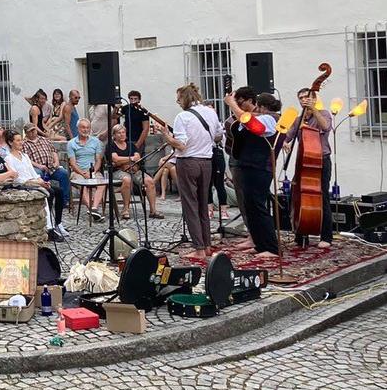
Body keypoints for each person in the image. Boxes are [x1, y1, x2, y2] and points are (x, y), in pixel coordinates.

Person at [164, 83, 224, 260]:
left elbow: (181, 144)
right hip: (207, 161)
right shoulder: (211, 112)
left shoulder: (182, 117)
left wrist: (167, 137)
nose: (177, 101)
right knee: (203, 204)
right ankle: (206, 245)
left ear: (185, 98)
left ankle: (198, 248)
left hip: (188, 161)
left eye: (179, 98)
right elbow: (219, 135)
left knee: (190, 205)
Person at [223, 86, 279, 259]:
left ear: (261, 107)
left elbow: (256, 128)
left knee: (259, 207)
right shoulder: (255, 118)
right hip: (248, 165)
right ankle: (260, 244)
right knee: (250, 208)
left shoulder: (269, 119)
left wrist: (233, 105)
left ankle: (271, 247)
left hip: (260, 167)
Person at [283, 87, 334, 249]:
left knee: (322, 197)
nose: (304, 100)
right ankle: (301, 233)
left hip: (321, 160)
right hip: (303, 162)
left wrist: (314, 109)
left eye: (307, 97)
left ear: (314, 98)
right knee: (296, 195)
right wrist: (285, 143)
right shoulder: (298, 120)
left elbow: (325, 127)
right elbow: (287, 136)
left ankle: (326, 236)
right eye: (301, 98)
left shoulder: (323, 113)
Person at [4, 130, 62, 239]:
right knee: (49, 192)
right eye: (18, 140)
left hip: (34, 181)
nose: (21, 142)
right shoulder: (8, 158)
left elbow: (33, 172)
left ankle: (58, 223)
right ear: (11, 142)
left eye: (21, 140)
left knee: (59, 191)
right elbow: (17, 178)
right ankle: (48, 227)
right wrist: (37, 183)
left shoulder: (25, 156)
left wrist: (41, 181)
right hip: (24, 184)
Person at [23, 123, 72, 231]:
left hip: (51, 167)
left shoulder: (44, 140)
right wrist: (39, 165)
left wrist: (56, 161)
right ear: (26, 133)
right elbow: (27, 160)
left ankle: (64, 201)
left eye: (34, 130)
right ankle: (45, 201)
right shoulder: (25, 144)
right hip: (38, 167)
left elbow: (53, 151)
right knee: (38, 175)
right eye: (30, 131)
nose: (33, 132)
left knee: (63, 174)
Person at [108, 124, 163, 220]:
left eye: (123, 132)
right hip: (118, 171)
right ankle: (125, 209)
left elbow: (137, 158)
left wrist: (129, 162)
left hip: (134, 169)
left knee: (150, 181)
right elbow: (115, 159)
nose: (122, 134)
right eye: (119, 133)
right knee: (127, 180)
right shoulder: (111, 146)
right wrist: (130, 159)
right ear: (114, 135)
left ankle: (153, 210)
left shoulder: (131, 145)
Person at [67, 119, 106, 222]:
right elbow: (73, 163)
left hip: (93, 170)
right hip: (78, 171)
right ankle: (92, 209)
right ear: (78, 128)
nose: (85, 130)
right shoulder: (71, 143)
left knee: (102, 183)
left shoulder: (95, 141)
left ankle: (94, 208)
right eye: (83, 127)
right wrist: (83, 173)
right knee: (83, 185)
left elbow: (98, 160)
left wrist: (92, 172)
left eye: (88, 128)